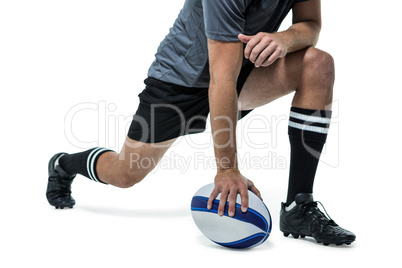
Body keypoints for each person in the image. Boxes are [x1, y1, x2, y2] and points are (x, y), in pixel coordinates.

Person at [47, 0, 355, 246]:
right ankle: (63, 165)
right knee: (125, 174)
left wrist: (283, 39)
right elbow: (221, 78)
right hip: (180, 81)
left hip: (242, 73)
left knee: (318, 64)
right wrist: (227, 169)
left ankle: (298, 206)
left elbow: (310, 24)